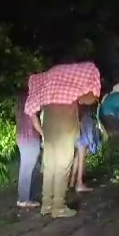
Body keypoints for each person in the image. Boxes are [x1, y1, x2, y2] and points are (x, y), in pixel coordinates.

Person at [25, 62, 101, 218]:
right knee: (63, 167)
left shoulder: (49, 86)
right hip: (65, 128)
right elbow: (90, 98)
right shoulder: (73, 86)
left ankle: (46, 205)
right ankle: (59, 206)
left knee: (50, 167)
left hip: (49, 129)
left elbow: (34, 108)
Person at [16, 91, 41, 208]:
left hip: (21, 139)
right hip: (31, 139)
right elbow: (35, 121)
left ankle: (25, 196)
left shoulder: (19, 110)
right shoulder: (30, 106)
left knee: (28, 168)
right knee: (27, 169)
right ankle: (24, 199)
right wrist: (43, 133)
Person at [68, 104, 101, 192]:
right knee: (81, 158)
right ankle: (79, 183)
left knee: (77, 156)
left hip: (76, 129)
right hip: (83, 132)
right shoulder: (87, 111)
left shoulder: (76, 103)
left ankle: (72, 181)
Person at [98, 86, 119, 161]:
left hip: (102, 115)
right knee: (115, 135)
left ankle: (106, 156)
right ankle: (114, 157)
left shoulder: (109, 95)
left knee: (109, 135)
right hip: (111, 116)